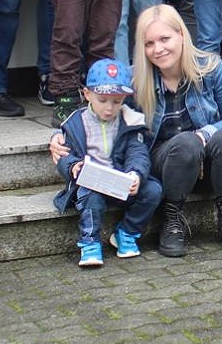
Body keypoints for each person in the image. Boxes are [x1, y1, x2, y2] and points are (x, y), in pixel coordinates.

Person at [131, 3, 222, 256]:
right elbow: (99, 108)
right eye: (149, 43)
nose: (158, 49)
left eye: (165, 38)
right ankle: (172, 218)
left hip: (207, 169)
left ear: (182, 35)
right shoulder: (135, 80)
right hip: (164, 170)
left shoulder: (210, 67)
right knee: (186, 142)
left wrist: (204, 133)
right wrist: (61, 137)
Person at [50, 57, 162, 268]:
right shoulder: (75, 122)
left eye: (117, 101)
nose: (110, 108)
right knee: (90, 197)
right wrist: (73, 166)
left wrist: (135, 174)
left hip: (121, 183)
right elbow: (64, 155)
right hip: (90, 184)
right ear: (87, 94)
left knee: (153, 190)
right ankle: (89, 242)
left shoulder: (130, 121)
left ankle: (126, 233)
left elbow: (138, 152)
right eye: (102, 100)